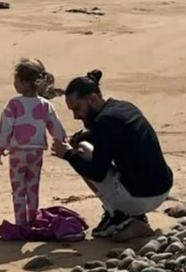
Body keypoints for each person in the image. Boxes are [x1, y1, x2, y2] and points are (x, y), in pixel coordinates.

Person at [51, 69, 173, 239]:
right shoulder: (123, 107)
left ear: (92, 99)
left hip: (141, 198)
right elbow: (109, 135)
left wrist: (68, 154)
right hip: (163, 187)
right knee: (85, 147)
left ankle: (120, 215)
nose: (76, 116)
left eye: (78, 109)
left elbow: (97, 173)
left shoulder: (104, 122)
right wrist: (80, 137)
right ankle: (129, 215)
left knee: (81, 153)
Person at [0, 58, 67, 226]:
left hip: (18, 152)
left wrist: (0, 146)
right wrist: (62, 140)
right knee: (33, 187)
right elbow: (55, 126)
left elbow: (6, 126)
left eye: (16, 80)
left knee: (18, 189)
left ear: (25, 83)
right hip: (36, 152)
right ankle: (32, 219)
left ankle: (21, 223)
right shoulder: (45, 105)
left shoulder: (14, 104)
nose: (15, 84)